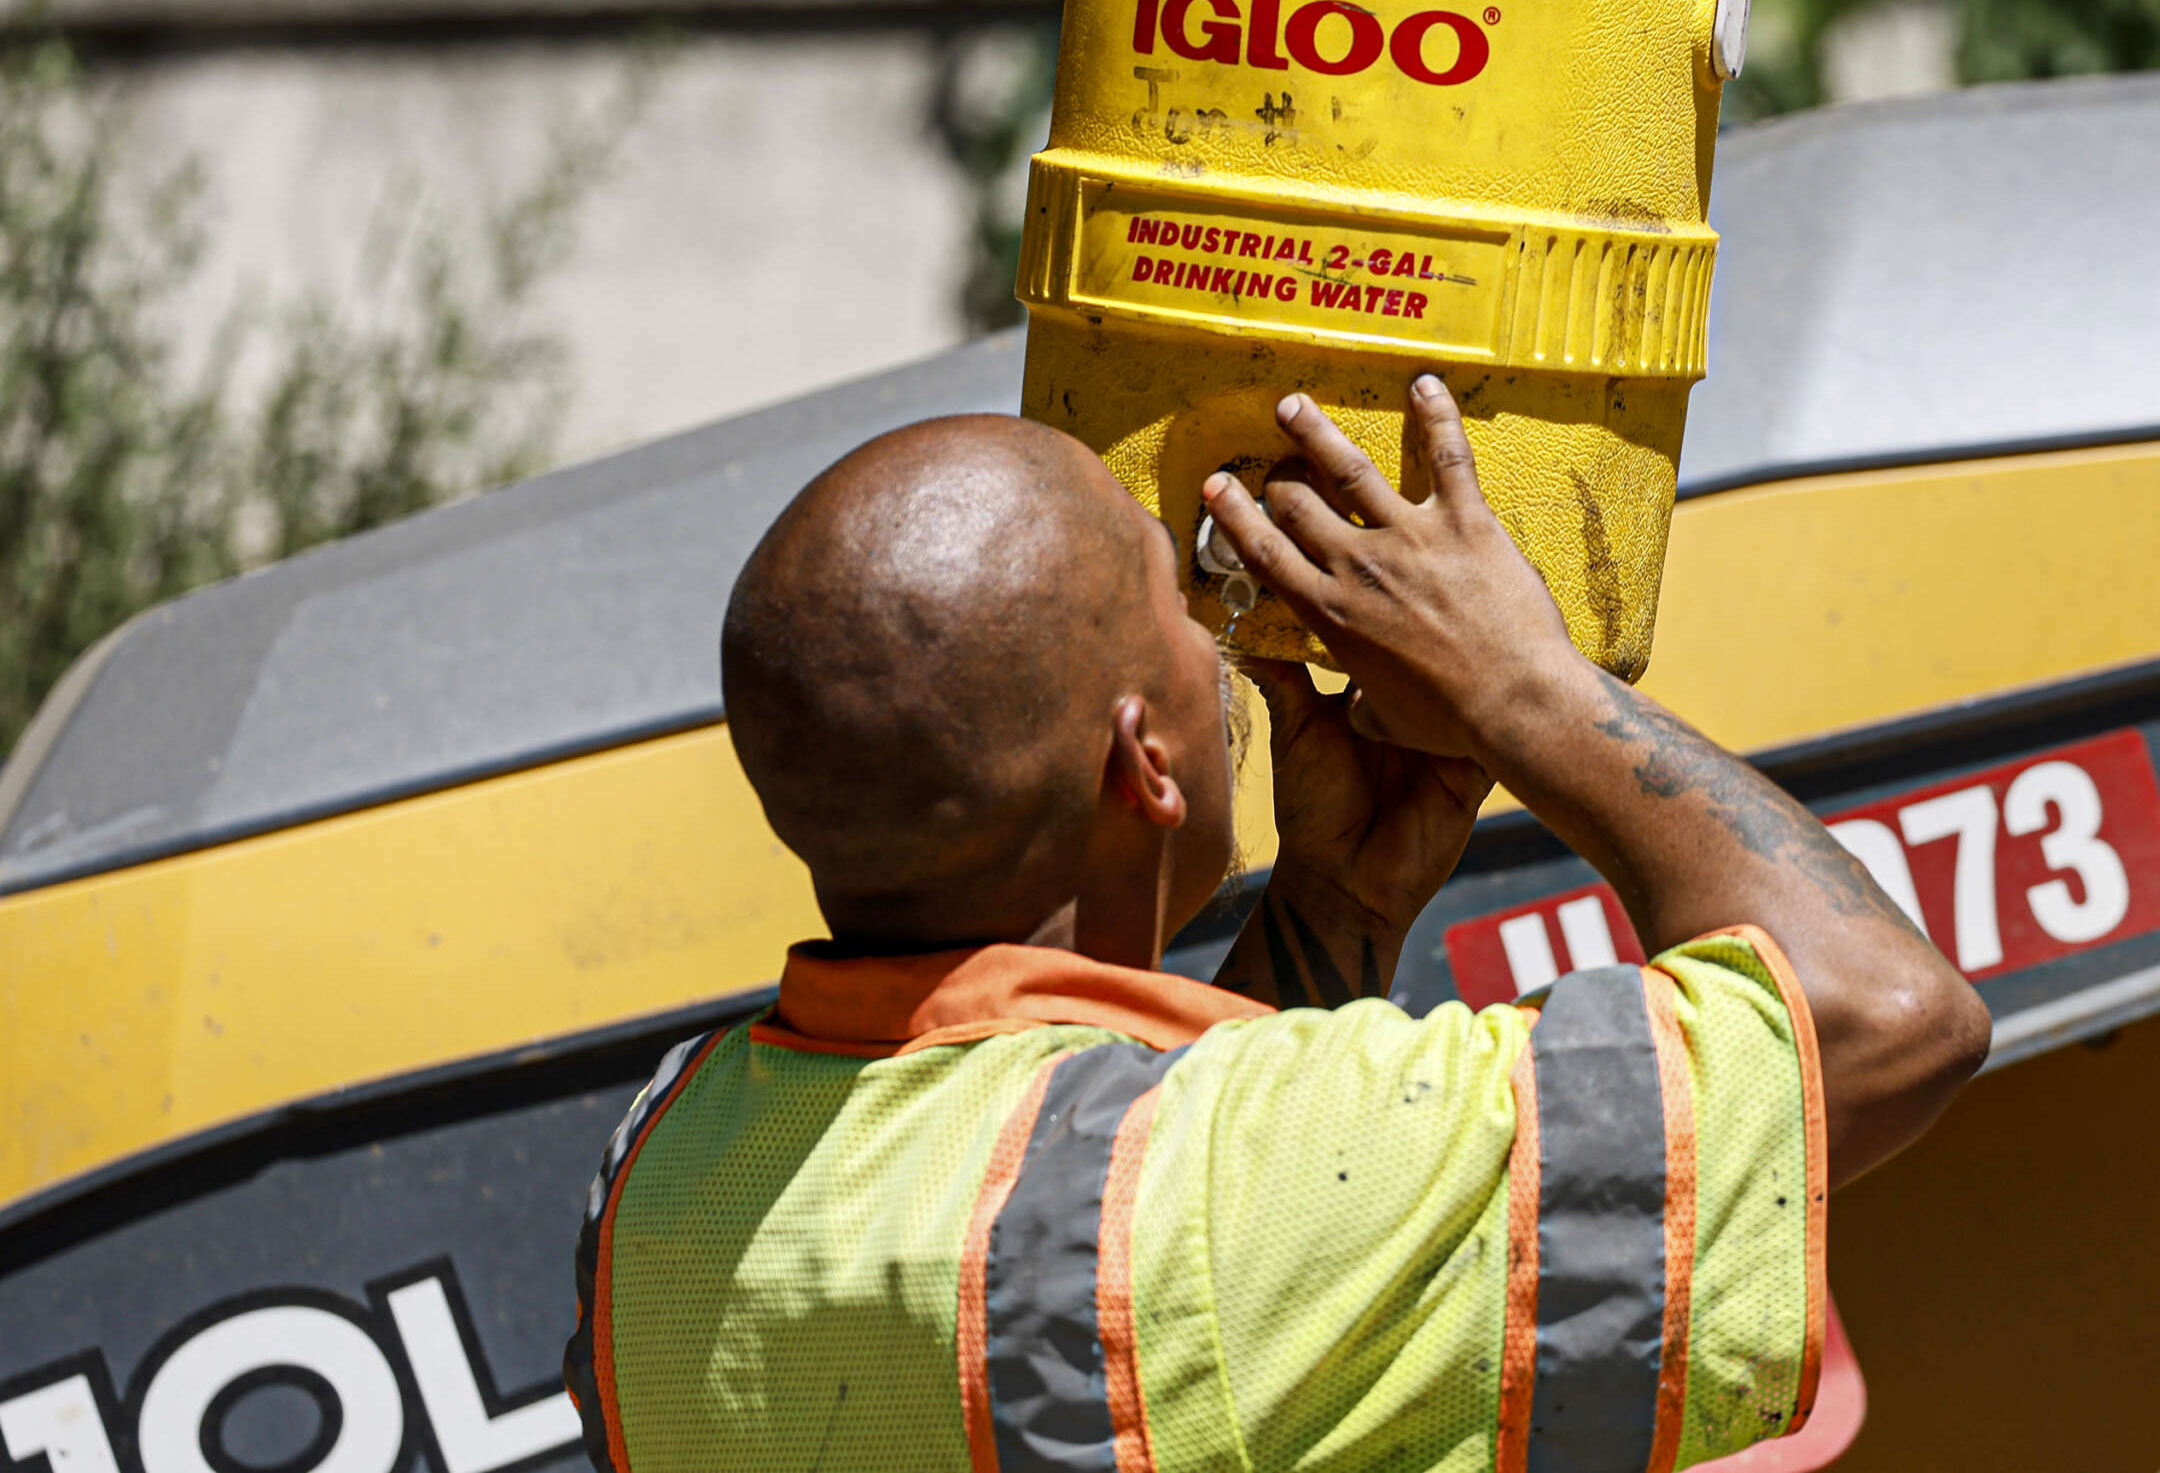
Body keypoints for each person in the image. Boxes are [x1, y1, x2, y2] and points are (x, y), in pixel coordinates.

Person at [564, 377, 1990, 1473]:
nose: (1216, 636)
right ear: (1149, 765)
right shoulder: (1207, 1206)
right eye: (1178, 603)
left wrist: (1337, 911)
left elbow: (1140, 1285)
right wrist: (1522, 684)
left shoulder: (660, 1180)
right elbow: (1881, 1015)